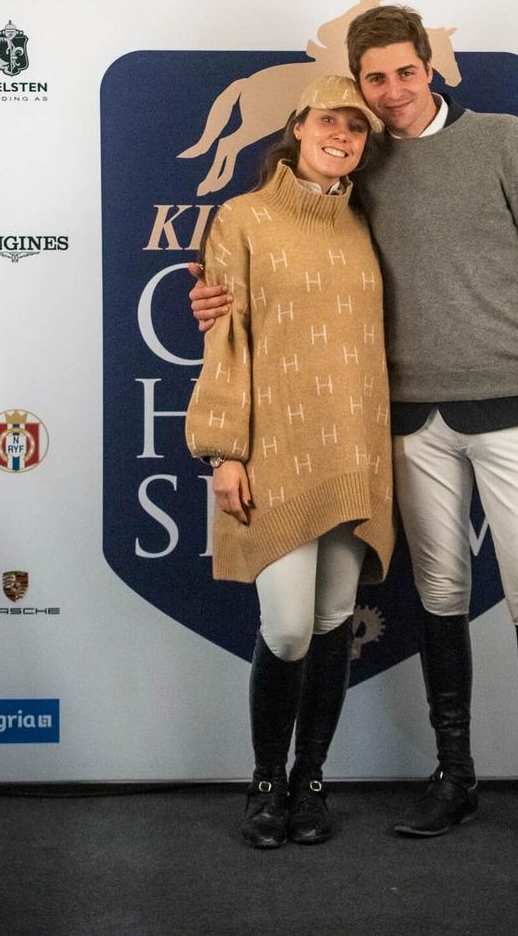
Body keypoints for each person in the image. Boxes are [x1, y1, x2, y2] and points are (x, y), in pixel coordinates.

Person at [190, 5, 518, 855]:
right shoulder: (360, 166)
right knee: (441, 594)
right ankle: (454, 775)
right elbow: (277, 258)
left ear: (431, 68)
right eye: (372, 79)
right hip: (409, 419)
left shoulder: (502, 140)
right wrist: (216, 301)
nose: (388, 93)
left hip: (511, 401)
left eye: (403, 72)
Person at [184, 73, 394, 849]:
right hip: (274, 452)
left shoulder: (367, 222)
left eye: (358, 127)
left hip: (357, 450)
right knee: (290, 626)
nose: (342, 135)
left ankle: (311, 780)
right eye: (330, 120)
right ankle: (266, 780)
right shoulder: (242, 217)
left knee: (335, 619)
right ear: (298, 125)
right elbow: (225, 341)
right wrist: (224, 450)